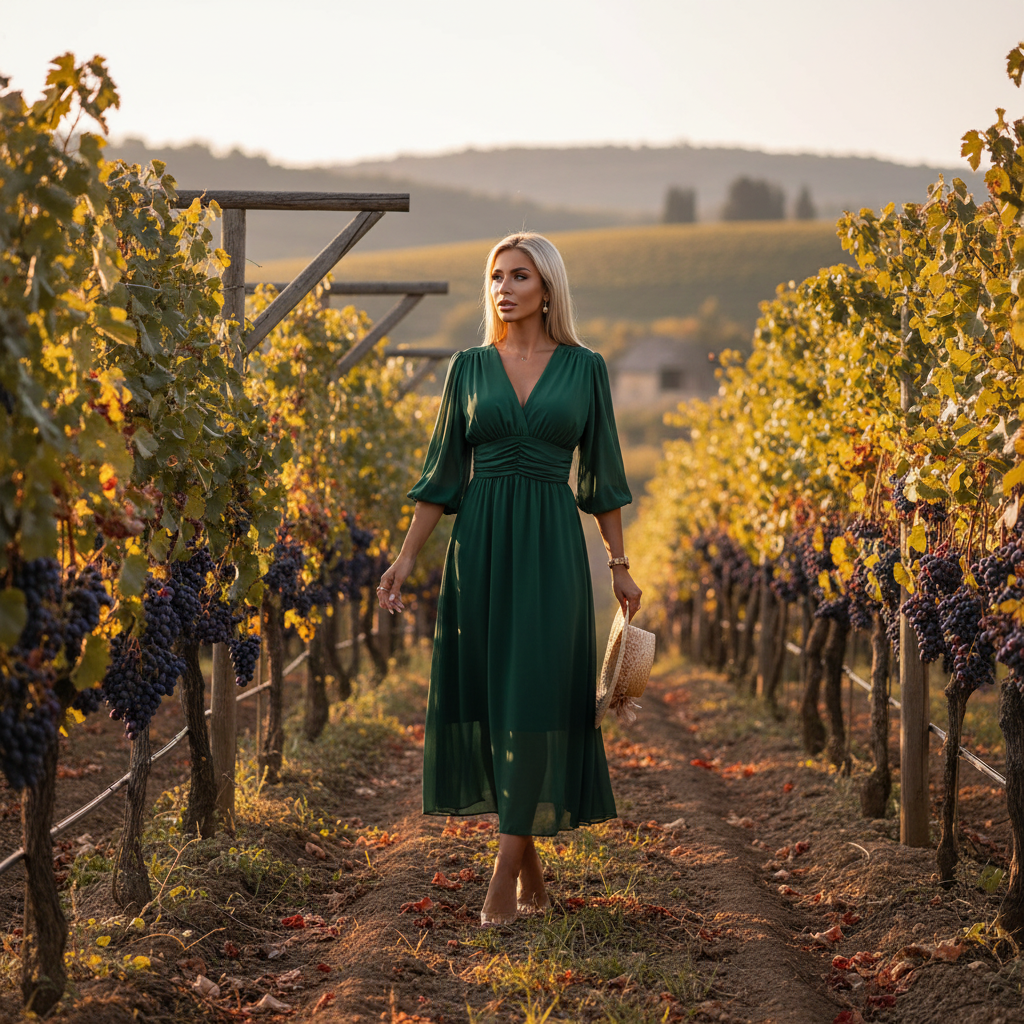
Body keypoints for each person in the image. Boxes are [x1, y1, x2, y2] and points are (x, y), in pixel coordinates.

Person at [376, 232, 642, 925]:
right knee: (494, 704)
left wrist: (619, 565)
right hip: (481, 547)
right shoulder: (468, 367)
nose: (504, 287)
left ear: (547, 288)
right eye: (496, 276)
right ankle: (530, 875)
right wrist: (406, 558)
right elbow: (441, 476)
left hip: (552, 548)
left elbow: (605, 478)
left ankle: (501, 878)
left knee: (539, 700)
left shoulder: (586, 369)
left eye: (519, 275)